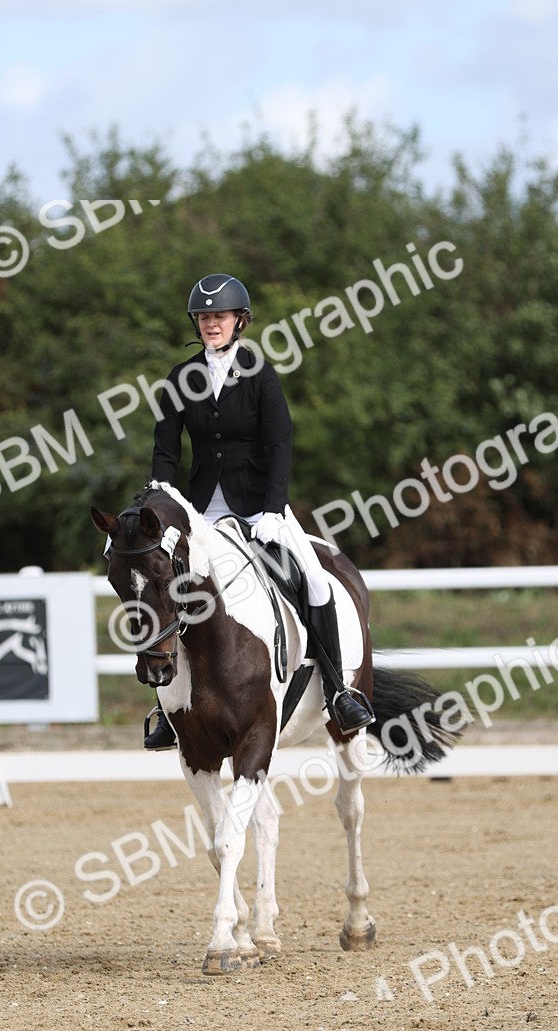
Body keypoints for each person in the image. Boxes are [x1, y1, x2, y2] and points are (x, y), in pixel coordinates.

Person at [144, 272, 374, 750]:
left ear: (239, 321)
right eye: (204, 317)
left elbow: (280, 442)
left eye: (220, 317)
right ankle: (169, 708)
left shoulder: (259, 373)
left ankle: (338, 691)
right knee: (169, 589)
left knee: (312, 578)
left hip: (259, 507)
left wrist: (272, 509)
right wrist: (162, 491)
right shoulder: (179, 378)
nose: (211, 323)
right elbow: (165, 449)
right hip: (202, 511)